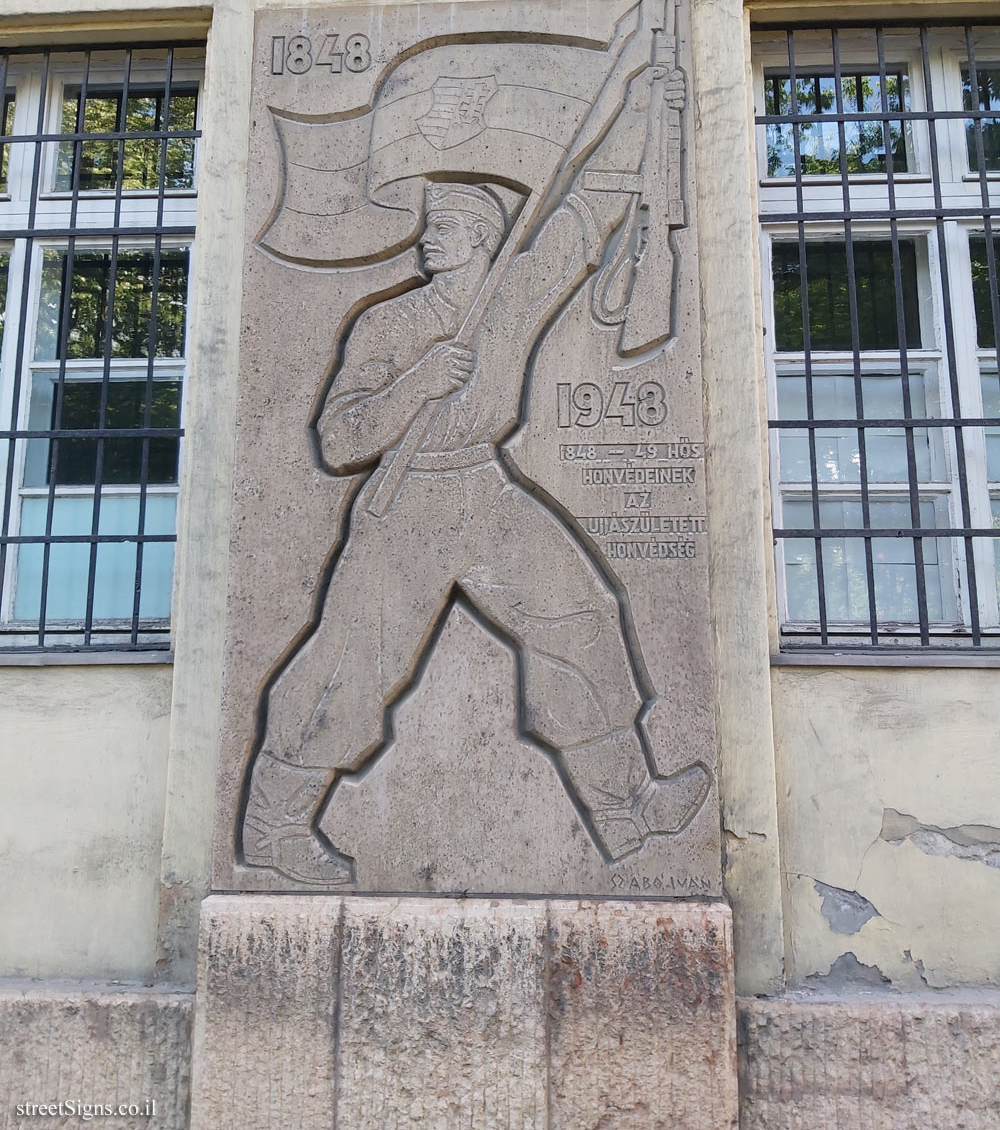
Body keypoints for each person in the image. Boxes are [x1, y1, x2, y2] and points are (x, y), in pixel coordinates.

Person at [241, 70, 710, 884]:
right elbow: (337, 437)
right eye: (432, 224)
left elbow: (581, 211)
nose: (431, 236)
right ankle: (274, 825)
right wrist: (414, 382)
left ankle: (627, 807)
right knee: (351, 663)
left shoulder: (512, 297)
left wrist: (639, 111)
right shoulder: (389, 322)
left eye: (452, 225)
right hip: (405, 502)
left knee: (580, 613)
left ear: (487, 240)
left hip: (482, 490)